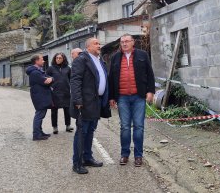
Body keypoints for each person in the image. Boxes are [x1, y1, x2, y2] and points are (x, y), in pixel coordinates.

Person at [109, 33, 155, 167]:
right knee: (124, 127)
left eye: (127, 41)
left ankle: (138, 156)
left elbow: (150, 74)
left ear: (133, 42)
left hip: (139, 97)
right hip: (122, 97)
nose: (124, 44)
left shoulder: (142, 55)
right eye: (122, 42)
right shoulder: (115, 57)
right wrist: (112, 97)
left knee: (139, 127)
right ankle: (124, 154)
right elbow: (111, 78)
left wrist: (150, 91)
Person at [70, 38, 109, 174]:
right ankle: (77, 163)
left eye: (99, 43)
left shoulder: (100, 60)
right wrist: (78, 101)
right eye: (96, 44)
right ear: (88, 47)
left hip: (97, 102)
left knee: (91, 131)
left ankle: (87, 158)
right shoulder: (81, 60)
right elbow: (75, 81)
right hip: (84, 103)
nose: (99, 45)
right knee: (82, 132)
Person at [26, 54, 53, 141]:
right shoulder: (35, 73)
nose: (43, 61)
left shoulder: (38, 71)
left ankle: (39, 132)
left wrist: (50, 78)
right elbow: (46, 81)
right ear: (36, 61)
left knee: (41, 114)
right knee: (39, 115)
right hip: (39, 96)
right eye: (42, 59)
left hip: (41, 95)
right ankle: (36, 135)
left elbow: (47, 78)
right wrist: (51, 79)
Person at [46, 53, 73, 134]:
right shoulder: (51, 68)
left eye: (60, 58)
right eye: (57, 58)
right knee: (54, 111)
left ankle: (68, 125)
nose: (58, 59)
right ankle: (55, 127)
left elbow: (71, 79)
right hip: (55, 92)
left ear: (63, 59)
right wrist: (50, 85)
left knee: (67, 110)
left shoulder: (68, 68)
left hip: (66, 92)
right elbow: (46, 77)